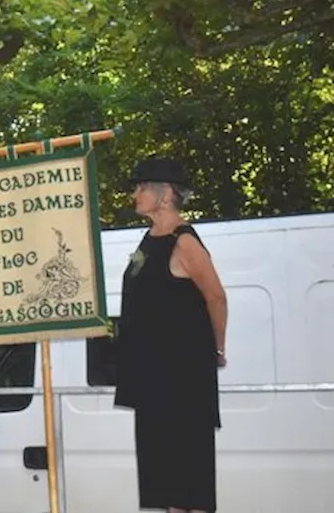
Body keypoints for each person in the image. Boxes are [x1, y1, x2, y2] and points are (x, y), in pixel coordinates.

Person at [115, 157, 227, 513]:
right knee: (164, 485)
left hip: (183, 379)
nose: (135, 193)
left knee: (189, 482)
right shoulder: (148, 240)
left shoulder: (185, 241)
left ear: (165, 194)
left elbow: (216, 297)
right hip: (152, 378)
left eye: (141, 186)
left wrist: (217, 348)